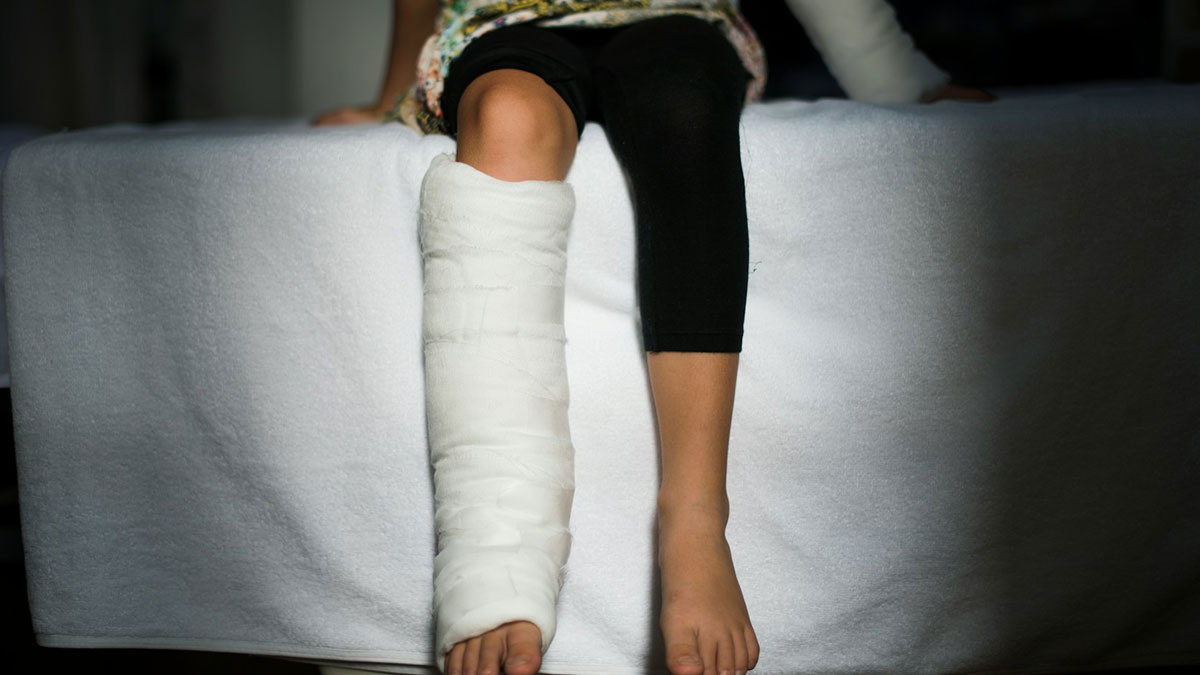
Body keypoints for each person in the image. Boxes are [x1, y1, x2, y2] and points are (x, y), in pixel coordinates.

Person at [314, 2, 994, 674]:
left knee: (684, 104)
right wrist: (388, 98)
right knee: (506, 114)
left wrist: (893, 75)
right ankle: (499, 542)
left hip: (678, 17)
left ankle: (695, 519)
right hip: (506, 21)